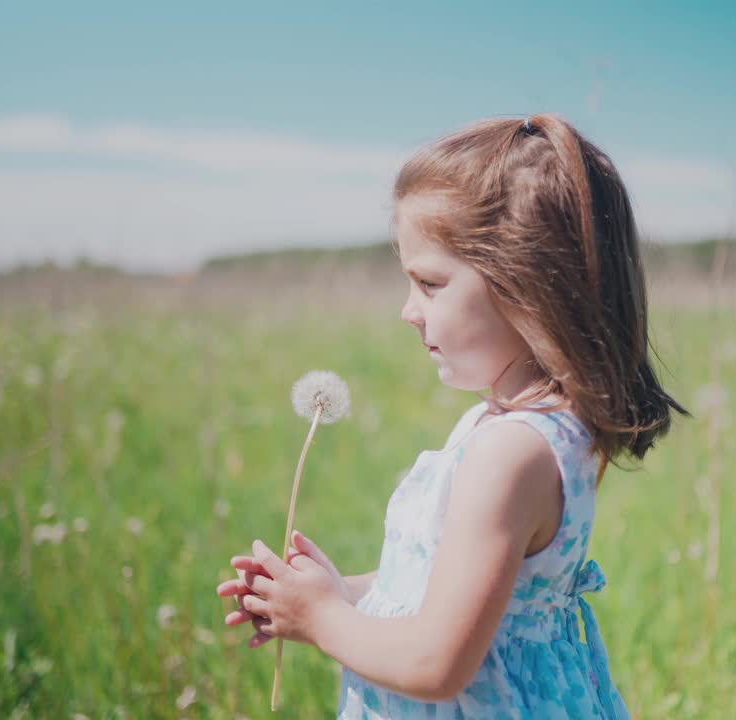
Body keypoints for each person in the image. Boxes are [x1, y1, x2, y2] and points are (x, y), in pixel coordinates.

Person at [217, 113, 687, 718]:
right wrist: (336, 594)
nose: (409, 311)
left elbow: (437, 661)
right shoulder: (507, 426)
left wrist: (321, 618)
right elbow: (448, 595)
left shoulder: (510, 454)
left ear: (527, 285)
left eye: (430, 284)